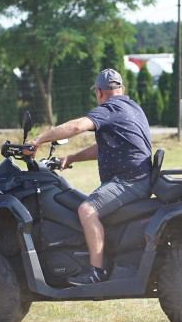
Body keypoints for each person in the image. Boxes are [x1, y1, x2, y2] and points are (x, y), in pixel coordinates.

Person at [25, 68, 152, 285]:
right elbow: (106, 147)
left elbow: (77, 126)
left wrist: (37, 140)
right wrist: (71, 157)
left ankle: (96, 271)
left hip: (130, 182)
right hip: (137, 178)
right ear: (122, 89)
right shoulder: (132, 107)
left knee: (87, 209)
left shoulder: (109, 109)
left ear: (99, 93)